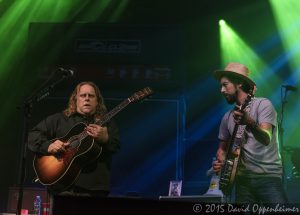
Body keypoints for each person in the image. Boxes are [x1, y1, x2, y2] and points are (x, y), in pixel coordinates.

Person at [28, 81, 120, 198]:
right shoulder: (60, 119)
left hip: (94, 189)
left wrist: (106, 139)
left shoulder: (107, 123)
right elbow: (33, 135)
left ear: (97, 101)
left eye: (91, 96)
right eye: (83, 95)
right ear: (75, 99)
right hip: (61, 188)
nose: (87, 98)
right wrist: (48, 146)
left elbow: (116, 147)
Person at [212, 62, 288, 204]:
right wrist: (221, 162)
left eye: (225, 84)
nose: (222, 90)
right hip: (242, 182)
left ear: (239, 83)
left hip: (268, 179)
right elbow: (221, 149)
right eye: (221, 86)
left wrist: (250, 122)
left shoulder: (263, 104)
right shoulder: (227, 117)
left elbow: (266, 138)